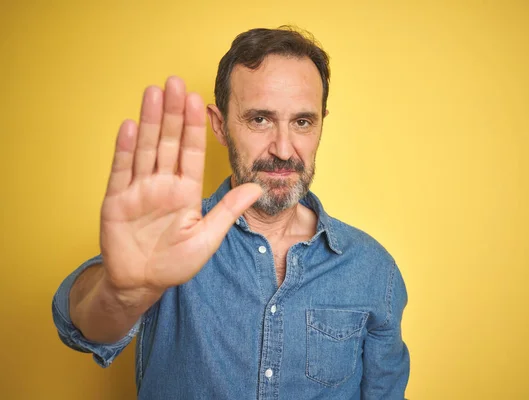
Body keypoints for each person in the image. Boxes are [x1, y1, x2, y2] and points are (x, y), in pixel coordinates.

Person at [52, 26, 410, 399]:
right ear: (220, 125)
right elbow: (76, 323)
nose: (285, 150)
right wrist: (122, 294)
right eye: (260, 119)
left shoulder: (372, 269)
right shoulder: (170, 237)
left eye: (302, 122)